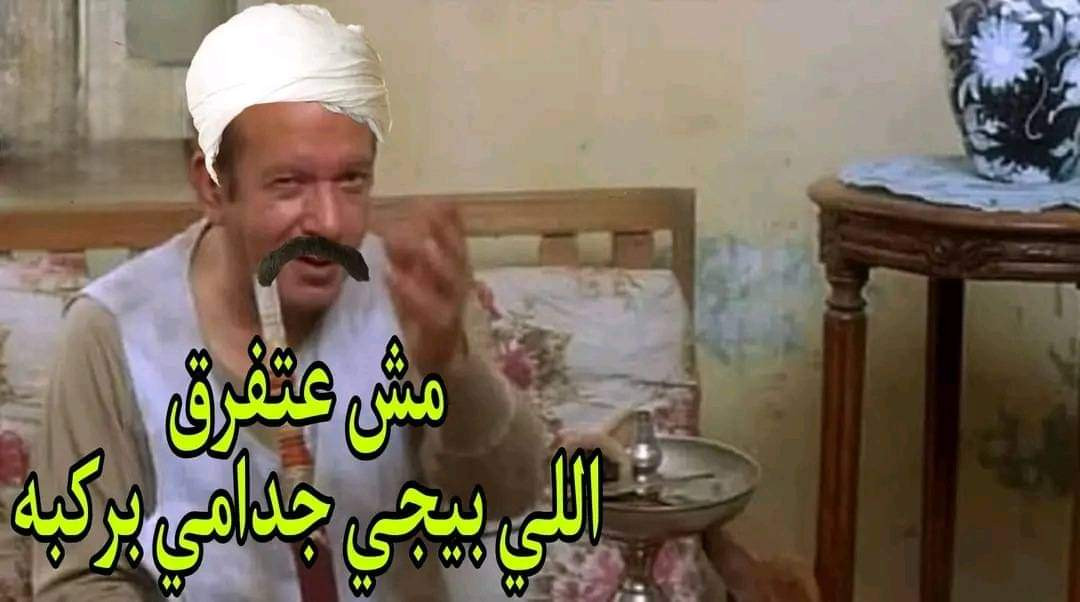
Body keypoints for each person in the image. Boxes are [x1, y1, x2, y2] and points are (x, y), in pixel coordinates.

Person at [32, 4, 547, 601]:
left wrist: (452, 371)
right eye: (290, 184)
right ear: (212, 187)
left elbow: (506, 500)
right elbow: (78, 582)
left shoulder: (413, 294)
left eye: (351, 180)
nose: (329, 223)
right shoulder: (112, 333)